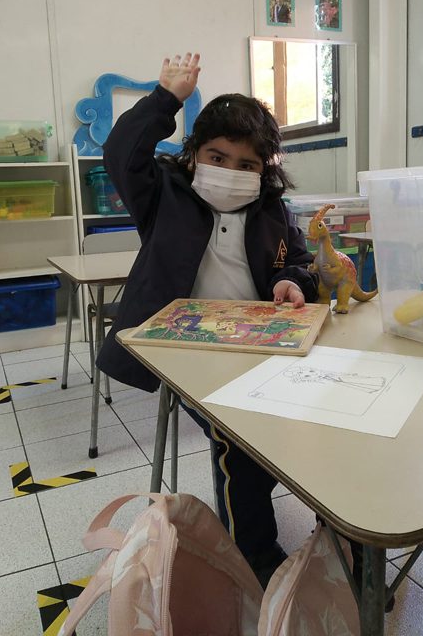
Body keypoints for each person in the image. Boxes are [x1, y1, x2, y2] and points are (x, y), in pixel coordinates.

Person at [97, 52, 319, 587]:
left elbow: (300, 262)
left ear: (264, 169)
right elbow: (121, 152)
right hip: (189, 355)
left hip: (263, 347)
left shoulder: (273, 209)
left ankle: (340, 544)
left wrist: (295, 282)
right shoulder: (163, 195)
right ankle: (256, 559)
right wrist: (165, 99)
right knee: (239, 447)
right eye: (217, 157)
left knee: (323, 427)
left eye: (247, 165)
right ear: (193, 153)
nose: (230, 172)